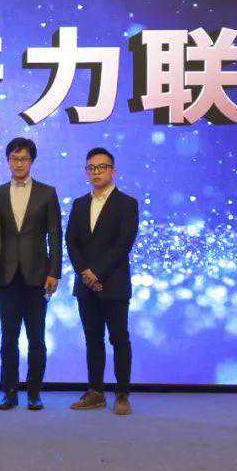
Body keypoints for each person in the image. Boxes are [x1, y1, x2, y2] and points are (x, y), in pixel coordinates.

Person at [64, 147, 140, 416]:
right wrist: (85, 273)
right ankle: (95, 392)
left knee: (119, 339)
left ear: (113, 171)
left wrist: (97, 272)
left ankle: (122, 394)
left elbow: (123, 244)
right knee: (93, 339)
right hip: (86, 287)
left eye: (102, 167)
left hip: (114, 284)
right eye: (91, 168)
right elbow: (71, 241)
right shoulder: (79, 204)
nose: (96, 172)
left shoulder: (127, 203)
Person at [0, 137, 61, 411]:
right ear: (8, 161)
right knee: (8, 339)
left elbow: (55, 235)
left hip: (37, 276)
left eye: (24, 159)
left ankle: (34, 392)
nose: (19, 163)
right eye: (14, 158)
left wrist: (54, 272)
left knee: (37, 338)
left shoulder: (47, 193)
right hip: (6, 276)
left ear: (31, 161)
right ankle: (9, 393)